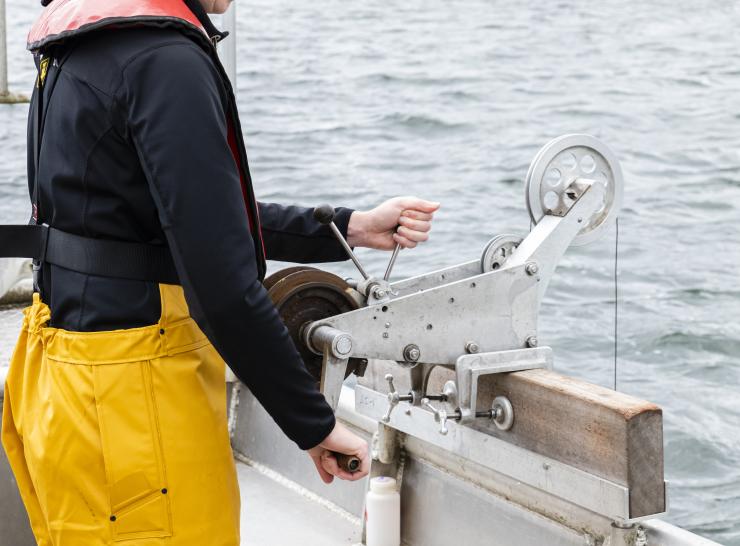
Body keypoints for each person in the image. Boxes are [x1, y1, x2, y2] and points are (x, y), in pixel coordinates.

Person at [0, 0, 439, 544]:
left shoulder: (82, 44)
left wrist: (349, 227)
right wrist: (314, 425)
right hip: (133, 401)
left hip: (60, 378)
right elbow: (223, 289)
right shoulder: (165, 60)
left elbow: (173, 218)